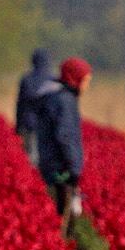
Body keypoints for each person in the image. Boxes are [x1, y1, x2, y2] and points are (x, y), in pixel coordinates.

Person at [34, 57, 92, 219]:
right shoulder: (64, 100)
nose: (87, 86)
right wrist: (74, 168)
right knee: (64, 210)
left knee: (61, 207)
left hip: (53, 162)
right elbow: (66, 136)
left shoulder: (56, 96)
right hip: (60, 166)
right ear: (75, 79)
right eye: (85, 80)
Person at [15, 49, 54, 164]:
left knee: (31, 154)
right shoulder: (53, 80)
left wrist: (18, 126)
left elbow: (20, 104)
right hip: (47, 124)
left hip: (29, 122)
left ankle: (32, 178)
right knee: (46, 153)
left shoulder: (27, 80)